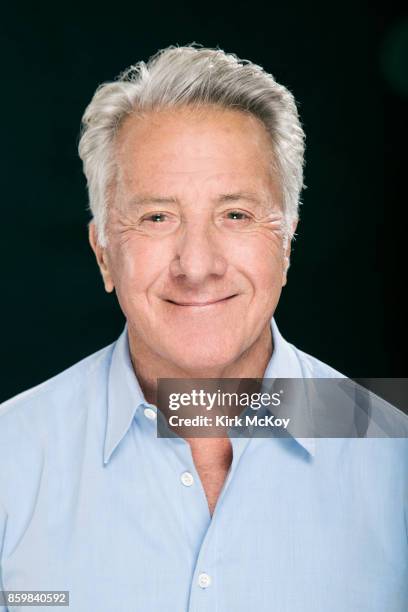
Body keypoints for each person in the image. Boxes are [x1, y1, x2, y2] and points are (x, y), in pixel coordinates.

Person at [0, 45, 407, 612]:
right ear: (103, 254)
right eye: (157, 217)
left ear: (286, 242)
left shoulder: (395, 458)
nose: (197, 266)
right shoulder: (10, 458)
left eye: (235, 214)